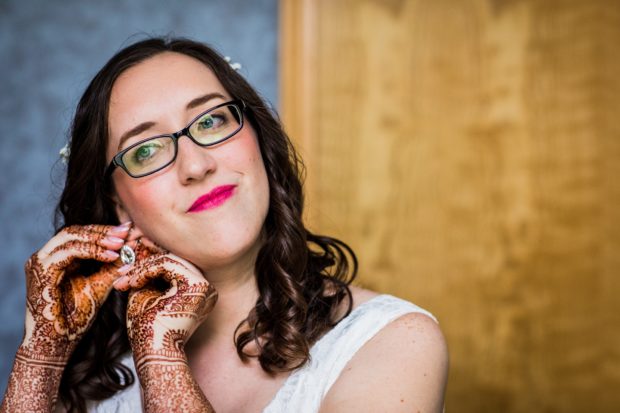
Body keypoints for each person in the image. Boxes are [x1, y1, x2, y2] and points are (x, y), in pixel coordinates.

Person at [0, 37, 448, 413]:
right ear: (119, 205)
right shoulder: (89, 372)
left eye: (212, 120)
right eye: (146, 150)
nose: (195, 165)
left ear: (258, 141)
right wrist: (41, 353)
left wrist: (162, 362)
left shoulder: (393, 342)